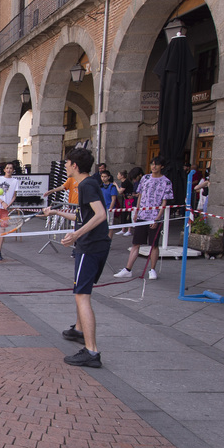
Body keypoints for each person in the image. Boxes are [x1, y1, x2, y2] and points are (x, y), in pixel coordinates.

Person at [44, 148, 110, 368]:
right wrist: (56, 212)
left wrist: (76, 234)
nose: (64, 166)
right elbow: (83, 217)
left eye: (67, 163)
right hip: (94, 246)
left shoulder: (86, 185)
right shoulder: (88, 184)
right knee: (81, 293)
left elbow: (101, 215)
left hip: (90, 247)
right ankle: (80, 330)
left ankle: (91, 352)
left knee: (82, 295)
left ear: (74, 165)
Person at [114, 156, 173, 280]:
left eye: (156, 165)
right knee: (136, 243)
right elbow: (140, 195)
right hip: (142, 215)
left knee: (154, 245)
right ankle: (128, 269)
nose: (153, 167)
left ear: (161, 166)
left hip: (154, 216)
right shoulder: (145, 178)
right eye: (152, 164)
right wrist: (137, 211)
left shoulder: (166, 181)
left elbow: (164, 202)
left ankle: (152, 269)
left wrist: (157, 218)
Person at [99, 171, 120, 238]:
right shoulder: (100, 186)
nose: (103, 178)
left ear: (108, 177)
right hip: (101, 208)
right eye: (102, 176)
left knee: (110, 226)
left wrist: (110, 209)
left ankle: (109, 241)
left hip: (109, 208)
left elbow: (113, 199)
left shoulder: (112, 187)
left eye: (105, 176)